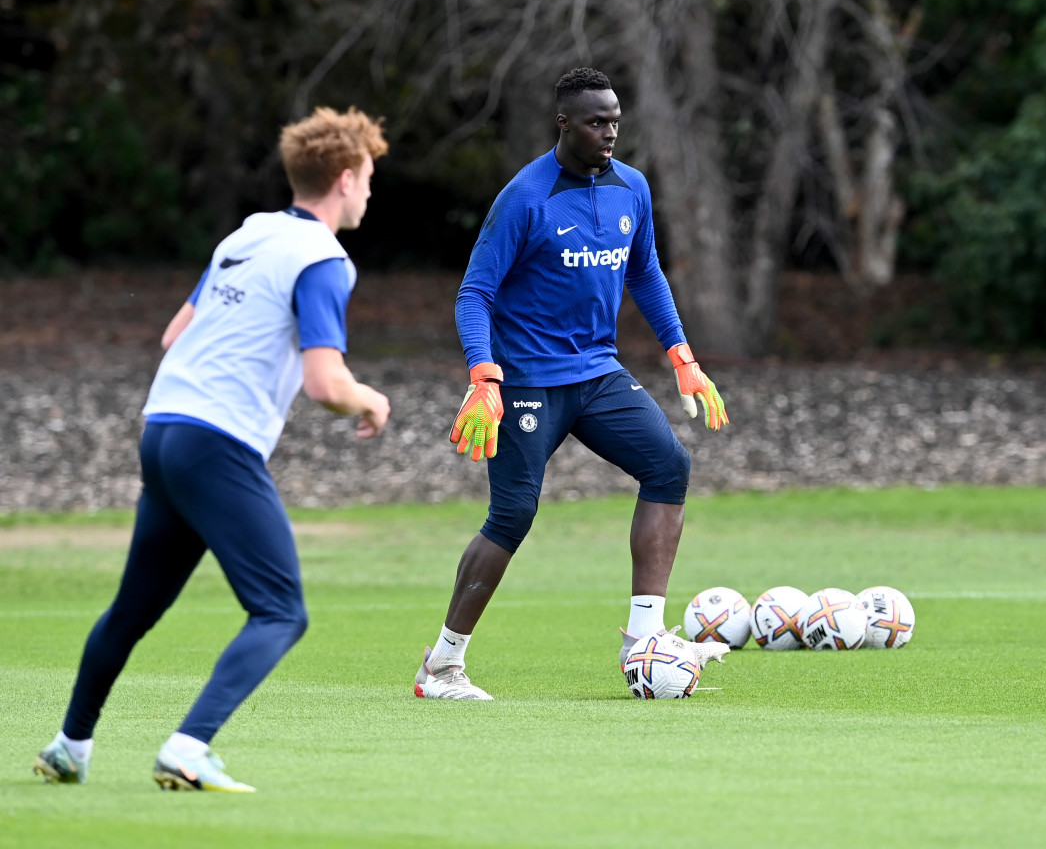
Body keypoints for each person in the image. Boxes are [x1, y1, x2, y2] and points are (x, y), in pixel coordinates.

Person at [32, 107, 393, 791]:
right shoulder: (324, 260)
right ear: (346, 179)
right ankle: (187, 748)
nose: (370, 192)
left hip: (164, 428)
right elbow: (324, 383)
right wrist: (369, 400)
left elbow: (175, 334)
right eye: (370, 178)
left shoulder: (248, 233)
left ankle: (70, 746)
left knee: (132, 611)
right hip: (215, 443)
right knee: (281, 611)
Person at [413, 67, 730, 701]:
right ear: (564, 124)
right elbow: (474, 294)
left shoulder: (632, 188)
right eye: (596, 122)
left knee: (669, 466)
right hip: (527, 381)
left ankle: (644, 639)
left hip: (598, 373)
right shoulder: (525, 197)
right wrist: (484, 376)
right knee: (513, 513)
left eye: (615, 121)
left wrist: (682, 356)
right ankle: (442, 666)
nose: (609, 132)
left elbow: (645, 273)